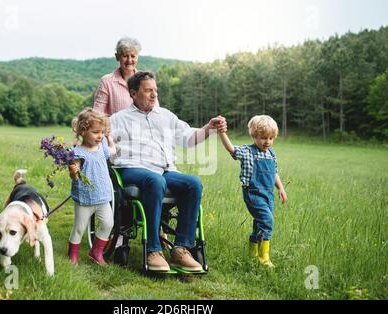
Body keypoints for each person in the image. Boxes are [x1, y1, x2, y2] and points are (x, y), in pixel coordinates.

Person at [110, 71, 226, 272]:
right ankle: (153, 250)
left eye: (155, 90)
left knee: (193, 183)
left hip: (164, 171)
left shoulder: (166, 116)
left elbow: (189, 138)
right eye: (148, 91)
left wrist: (209, 128)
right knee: (155, 181)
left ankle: (181, 248)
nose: (154, 94)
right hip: (132, 170)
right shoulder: (118, 119)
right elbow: (98, 140)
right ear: (133, 93)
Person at [218, 115, 288, 268]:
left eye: (271, 138)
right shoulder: (248, 151)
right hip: (253, 193)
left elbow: (274, 173)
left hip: (268, 195)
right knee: (267, 221)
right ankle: (264, 257)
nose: (267, 142)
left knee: (259, 223)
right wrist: (222, 132)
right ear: (254, 136)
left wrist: (281, 188)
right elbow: (232, 149)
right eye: (263, 138)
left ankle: (253, 253)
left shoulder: (271, 154)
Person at [67, 107, 116, 266]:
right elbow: (75, 176)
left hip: (102, 197)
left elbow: (112, 152)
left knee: (108, 224)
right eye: (96, 132)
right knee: (79, 228)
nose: (99, 135)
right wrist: (73, 171)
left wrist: (109, 139)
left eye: (102, 132)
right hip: (85, 199)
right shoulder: (78, 152)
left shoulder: (102, 146)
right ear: (82, 131)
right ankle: (73, 256)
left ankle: (96, 252)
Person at [94, 37, 158, 116]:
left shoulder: (147, 80)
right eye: (125, 56)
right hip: (116, 128)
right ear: (117, 57)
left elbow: (156, 110)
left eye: (133, 56)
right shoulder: (106, 82)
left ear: (137, 57)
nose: (129, 60)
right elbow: (97, 114)